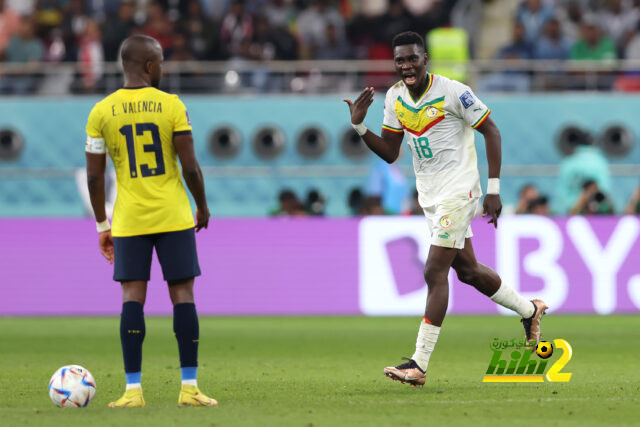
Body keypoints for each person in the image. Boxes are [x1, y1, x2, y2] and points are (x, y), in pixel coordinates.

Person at [343, 31, 548, 387]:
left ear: (426, 59)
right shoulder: (394, 97)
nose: (406, 66)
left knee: (433, 271)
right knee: (467, 271)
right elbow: (391, 153)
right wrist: (360, 126)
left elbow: (492, 131)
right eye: (400, 61)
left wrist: (494, 190)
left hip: (460, 191)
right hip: (431, 196)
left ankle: (418, 364)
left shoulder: (453, 92)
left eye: (412, 59)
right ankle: (530, 312)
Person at [85, 34, 216, 408]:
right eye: (159, 61)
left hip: (129, 220)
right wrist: (202, 206)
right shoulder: (171, 105)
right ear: (147, 65)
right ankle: (189, 388)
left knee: (132, 299)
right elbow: (189, 164)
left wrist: (101, 226)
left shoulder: (101, 112)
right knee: (183, 296)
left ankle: (132, 391)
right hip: (173, 215)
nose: (162, 68)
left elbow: (95, 177)